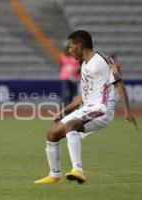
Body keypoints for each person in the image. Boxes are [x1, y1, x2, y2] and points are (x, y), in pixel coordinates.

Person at [34, 30, 138, 185]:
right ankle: (55, 175)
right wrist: (65, 111)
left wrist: (127, 111)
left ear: (79, 45)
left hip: (102, 109)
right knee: (52, 135)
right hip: (87, 108)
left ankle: (78, 170)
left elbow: (118, 83)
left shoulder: (104, 60)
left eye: (70, 47)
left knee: (71, 126)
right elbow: (83, 96)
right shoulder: (84, 65)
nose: (69, 51)